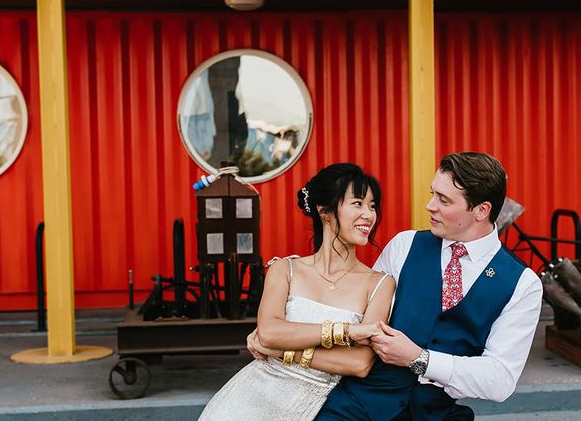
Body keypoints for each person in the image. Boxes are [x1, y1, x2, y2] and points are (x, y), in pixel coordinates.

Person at [317, 152, 542, 421]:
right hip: (355, 408)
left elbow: (500, 379)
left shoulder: (523, 284)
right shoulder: (404, 245)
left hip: (437, 413)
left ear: (482, 210)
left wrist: (420, 358)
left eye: (443, 200)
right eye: (433, 193)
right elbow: (352, 315)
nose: (429, 206)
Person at [199, 163, 396, 421]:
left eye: (372, 206)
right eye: (357, 203)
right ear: (324, 210)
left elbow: (359, 364)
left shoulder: (379, 284)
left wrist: (281, 351)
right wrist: (347, 331)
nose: (369, 215)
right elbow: (269, 333)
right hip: (245, 399)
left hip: (310, 406)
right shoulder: (285, 269)